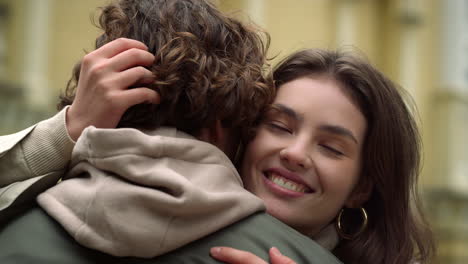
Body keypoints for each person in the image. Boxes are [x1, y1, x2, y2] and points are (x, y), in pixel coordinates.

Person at [0, 0, 341, 263]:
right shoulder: (299, 256)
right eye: (277, 126)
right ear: (223, 125)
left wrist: (68, 127)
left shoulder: (11, 230)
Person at [213, 49, 435, 263]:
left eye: (331, 148)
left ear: (361, 189)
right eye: (279, 126)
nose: (295, 153)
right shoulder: (184, 224)